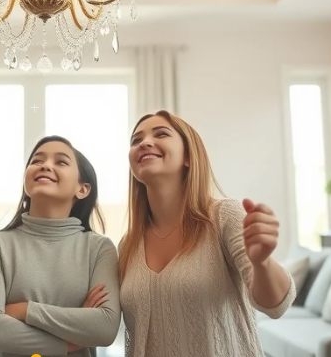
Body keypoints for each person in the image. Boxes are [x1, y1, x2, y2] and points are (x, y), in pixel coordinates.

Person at [119, 110, 296, 357]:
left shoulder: (224, 216)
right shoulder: (128, 245)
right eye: (136, 140)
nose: (145, 142)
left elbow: (276, 306)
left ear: (189, 157)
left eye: (161, 134)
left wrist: (262, 262)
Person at [0, 136, 121, 357]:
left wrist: (24, 310)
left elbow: (105, 328)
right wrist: (66, 343)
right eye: (36, 160)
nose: (45, 165)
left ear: (82, 189)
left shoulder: (99, 249)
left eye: (61, 162)